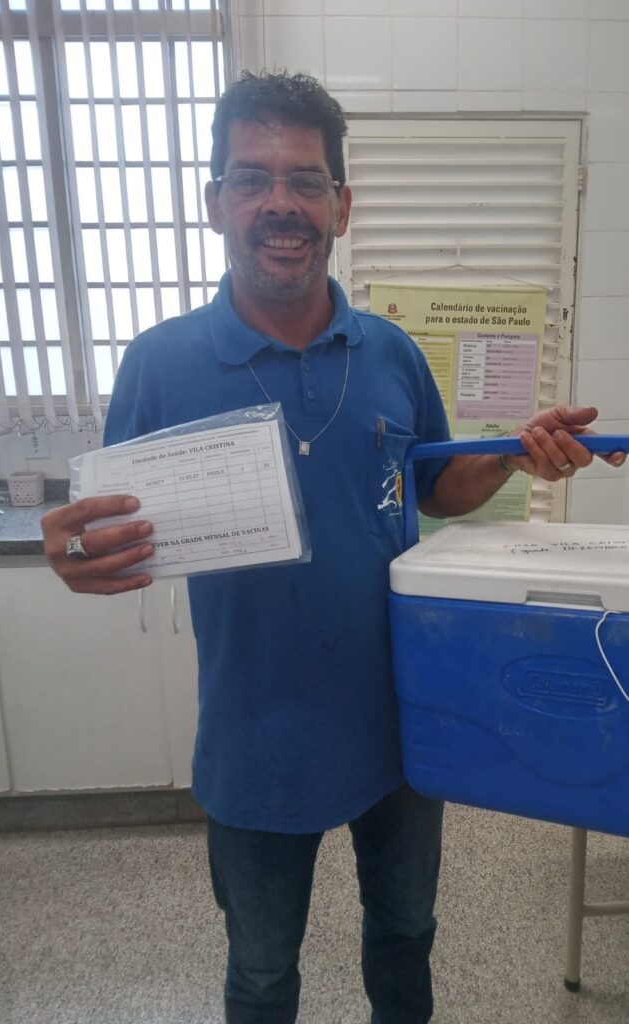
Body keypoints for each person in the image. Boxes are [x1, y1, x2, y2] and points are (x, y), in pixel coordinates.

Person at [42, 72, 626, 1024]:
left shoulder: (391, 353)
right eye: (252, 178)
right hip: (254, 741)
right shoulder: (159, 364)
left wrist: (518, 460)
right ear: (216, 204)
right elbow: (109, 535)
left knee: (405, 941)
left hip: (405, 726)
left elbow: (431, 487)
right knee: (264, 972)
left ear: (341, 206)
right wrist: (77, 562)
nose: (281, 201)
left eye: (307, 181)